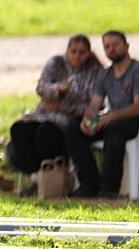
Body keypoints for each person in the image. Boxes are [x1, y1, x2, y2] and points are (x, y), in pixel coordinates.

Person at [64, 30, 139, 198]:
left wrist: (108, 118)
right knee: (73, 128)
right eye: (107, 46)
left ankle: (109, 188)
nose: (111, 49)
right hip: (115, 121)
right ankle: (89, 184)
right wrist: (88, 119)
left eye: (115, 45)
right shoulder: (105, 75)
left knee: (114, 128)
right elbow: (95, 104)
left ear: (126, 46)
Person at [6, 34, 103, 195]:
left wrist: (60, 107)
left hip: (67, 121)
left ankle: (51, 179)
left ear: (88, 53)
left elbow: (91, 106)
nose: (77, 56)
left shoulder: (94, 72)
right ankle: (37, 176)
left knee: (46, 131)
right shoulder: (56, 63)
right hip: (41, 115)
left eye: (82, 52)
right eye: (73, 51)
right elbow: (41, 88)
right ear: (67, 50)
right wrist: (57, 88)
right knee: (19, 129)